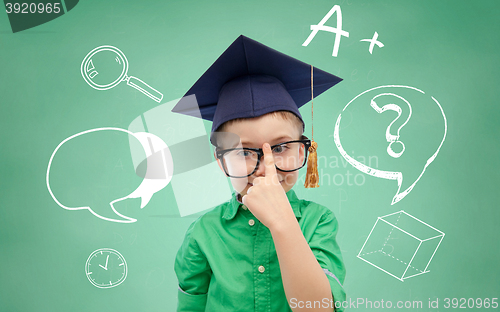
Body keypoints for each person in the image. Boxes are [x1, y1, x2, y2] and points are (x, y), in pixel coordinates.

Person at [173, 35, 346, 312]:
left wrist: (282, 223)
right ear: (222, 163)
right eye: (243, 152)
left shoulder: (319, 222)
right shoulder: (203, 232)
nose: (267, 168)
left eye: (279, 148)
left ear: (303, 151)